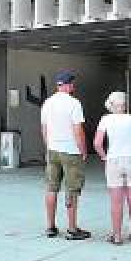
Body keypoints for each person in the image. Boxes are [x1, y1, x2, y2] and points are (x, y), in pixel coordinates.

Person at [41, 70, 90, 240]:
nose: (73, 87)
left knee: (51, 187)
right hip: (71, 151)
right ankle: (72, 228)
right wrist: (83, 150)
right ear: (68, 85)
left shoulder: (47, 103)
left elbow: (44, 129)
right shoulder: (74, 103)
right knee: (72, 189)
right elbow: (78, 130)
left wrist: (49, 146)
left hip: (53, 150)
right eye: (72, 84)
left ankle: (50, 226)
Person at [93, 90, 131, 245]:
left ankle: (116, 236)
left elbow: (97, 143)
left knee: (116, 202)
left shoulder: (105, 119)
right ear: (124, 104)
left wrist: (104, 156)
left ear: (111, 104)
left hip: (114, 160)